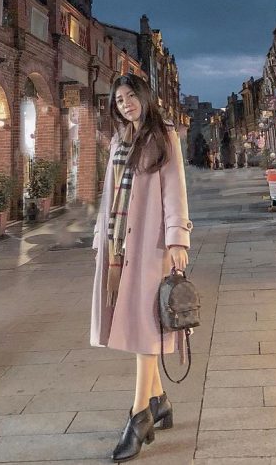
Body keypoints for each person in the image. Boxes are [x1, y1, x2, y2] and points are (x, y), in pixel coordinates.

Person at [91, 74, 192, 462]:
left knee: (145, 328)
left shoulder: (163, 135)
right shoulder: (120, 139)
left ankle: (139, 416)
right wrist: (100, 238)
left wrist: (177, 239)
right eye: (119, 100)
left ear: (145, 97)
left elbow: (175, 189)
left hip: (151, 244)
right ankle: (159, 400)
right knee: (137, 324)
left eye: (131, 96)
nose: (126, 104)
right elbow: (110, 193)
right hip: (118, 244)